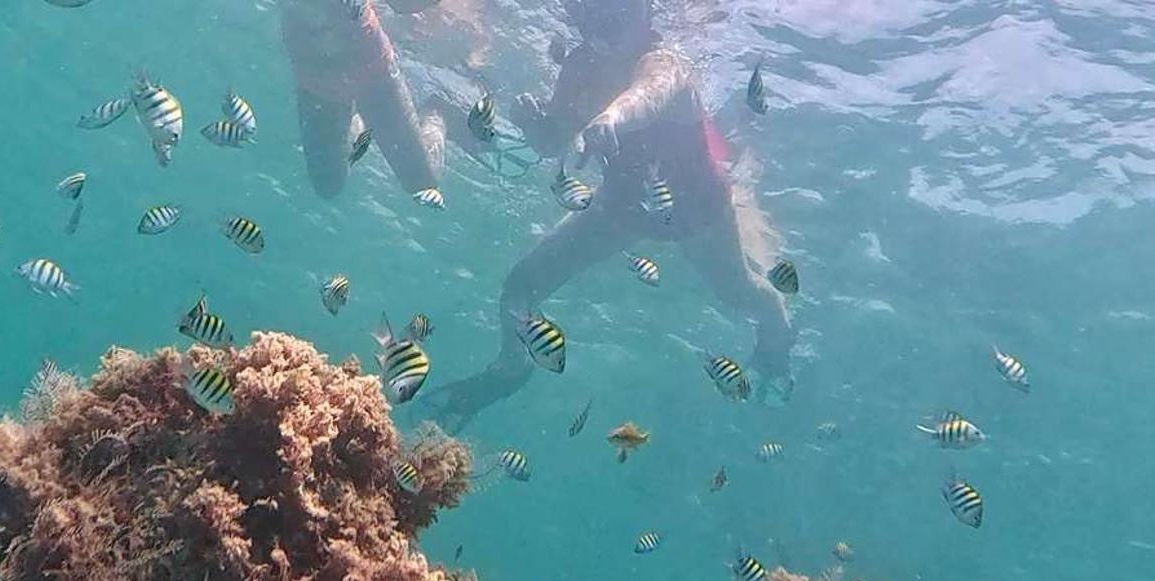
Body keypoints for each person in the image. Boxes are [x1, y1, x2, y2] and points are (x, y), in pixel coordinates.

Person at [426, 0, 796, 428]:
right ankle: (513, 365)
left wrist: (607, 121)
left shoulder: (666, 64)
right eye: (589, 9)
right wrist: (536, 125)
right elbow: (553, 139)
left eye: (617, 8)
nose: (602, 19)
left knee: (739, 292)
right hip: (620, 207)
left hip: (698, 210)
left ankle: (777, 336)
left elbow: (645, 98)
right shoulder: (579, 67)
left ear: (646, 12)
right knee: (519, 288)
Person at [281, 0, 451, 198]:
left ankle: (438, 112)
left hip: (371, 72)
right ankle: (357, 116)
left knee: (421, 182)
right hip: (315, 80)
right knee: (327, 185)